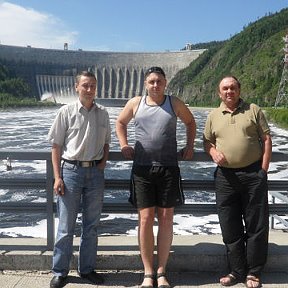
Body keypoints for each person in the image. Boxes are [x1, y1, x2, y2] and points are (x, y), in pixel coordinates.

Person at [116, 66, 196, 288]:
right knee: (145, 219)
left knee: (166, 218)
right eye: (151, 81)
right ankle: (148, 273)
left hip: (169, 168)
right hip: (142, 169)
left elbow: (190, 122)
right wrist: (123, 145)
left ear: (165, 82)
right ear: (145, 83)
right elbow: (120, 123)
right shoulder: (135, 103)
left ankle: (162, 271)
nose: (155, 85)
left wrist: (190, 146)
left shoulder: (174, 102)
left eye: (159, 81)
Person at [203, 76, 272, 288]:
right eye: (225, 88)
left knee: (256, 225)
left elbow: (266, 139)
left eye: (233, 88)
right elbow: (206, 141)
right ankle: (236, 271)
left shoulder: (253, 109)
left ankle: (253, 272)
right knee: (229, 225)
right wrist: (213, 151)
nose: (229, 91)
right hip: (225, 177)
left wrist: (263, 170)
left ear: (239, 90)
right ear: (219, 92)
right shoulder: (214, 115)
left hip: (253, 175)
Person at [47, 71, 111, 288]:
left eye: (93, 85)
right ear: (77, 87)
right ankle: (60, 271)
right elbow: (55, 147)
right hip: (71, 172)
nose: (90, 89)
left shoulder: (103, 113)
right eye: (86, 85)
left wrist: (102, 164)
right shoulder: (65, 112)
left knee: (91, 225)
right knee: (66, 226)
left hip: (95, 173)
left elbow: (107, 143)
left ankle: (87, 269)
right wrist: (57, 177)